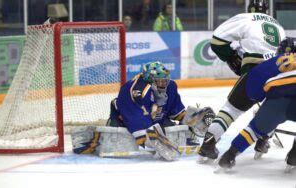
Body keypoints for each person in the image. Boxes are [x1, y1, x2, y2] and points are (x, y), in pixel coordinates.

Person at [72, 61, 215, 161]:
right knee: (126, 133)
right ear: (150, 80)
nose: (164, 83)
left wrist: (191, 119)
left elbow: (174, 110)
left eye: (165, 80)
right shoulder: (134, 91)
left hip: (154, 119)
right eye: (160, 81)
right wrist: (149, 136)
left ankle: (166, 133)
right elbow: (135, 118)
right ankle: (100, 134)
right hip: (126, 120)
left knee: (169, 129)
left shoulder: (170, 86)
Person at [198, 0, 286, 160]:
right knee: (274, 108)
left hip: (257, 71)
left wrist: (230, 57)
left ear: (250, 8)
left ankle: (208, 145)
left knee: (231, 109)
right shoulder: (279, 27)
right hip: (280, 73)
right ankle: (263, 139)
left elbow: (217, 40)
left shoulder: (246, 18)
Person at [218, 37, 296, 170]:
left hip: (276, 101)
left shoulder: (274, 61)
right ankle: (294, 156)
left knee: (255, 128)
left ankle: (229, 155)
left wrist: (261, 99)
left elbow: (255, 87)